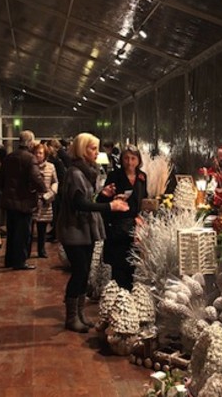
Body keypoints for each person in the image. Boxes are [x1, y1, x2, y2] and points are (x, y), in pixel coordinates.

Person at [57, 132, 129, 332]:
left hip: (84, 230)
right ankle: (71, 318)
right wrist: (110, 207)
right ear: (82, 149)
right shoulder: (75, 173)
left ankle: (80, 314)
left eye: (97, 148)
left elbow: (88, 200)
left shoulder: (87, 171)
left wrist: (102, 195)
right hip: (74, 230)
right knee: (79, 272)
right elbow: (79, 204)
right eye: (92, 148)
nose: (96, 152)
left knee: (85, 272)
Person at [97, 145, 147, 290]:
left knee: (133, 262)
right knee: (118, 263)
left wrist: (142, 215)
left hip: (136, 226)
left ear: (138, 160)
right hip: (118, 225)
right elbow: (103, 199)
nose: (129, 162)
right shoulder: (114, 175)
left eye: (133, 158)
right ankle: (118, 293)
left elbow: (144, 198)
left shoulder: (142, 176)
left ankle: (130, 293)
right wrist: (112, 199)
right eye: (126, 158)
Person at [0, 130, 47, 270]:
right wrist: (43, 188)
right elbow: (36, 178)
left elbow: (1, 178)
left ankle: (10, 260)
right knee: (22, 233)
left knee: (12, 232)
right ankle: (20, 261)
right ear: (30, 142)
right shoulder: (29, 158)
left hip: (9, 201)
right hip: (24, 201)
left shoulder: (9, 157)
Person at [31, 143, 58, 258]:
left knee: (42, 229)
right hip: (32, 201)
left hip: (45, 201)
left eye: (40, 153)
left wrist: (50, 194)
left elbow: (55, 181)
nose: (38, 155)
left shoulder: (51, 167)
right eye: (36, 153)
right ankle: (26, 251)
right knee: (29, 229)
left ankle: (41, 250)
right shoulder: (31, 166)